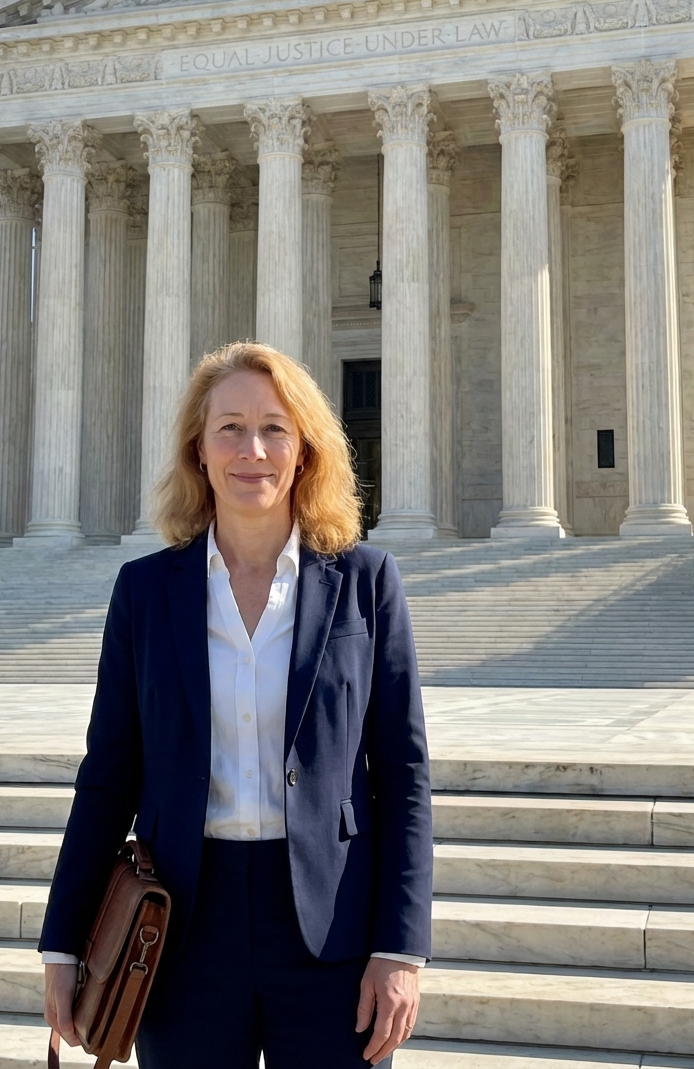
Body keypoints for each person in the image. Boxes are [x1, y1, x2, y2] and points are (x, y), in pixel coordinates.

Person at [40, 341, 433, 1069]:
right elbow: (108, 776)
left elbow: (402, 775)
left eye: (274, 428)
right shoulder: (146, 591)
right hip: (180, 929)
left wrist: (400, 947)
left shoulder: (365, 582)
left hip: (332, 929)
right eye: (229, 427)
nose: (251, 449)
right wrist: (64, 940)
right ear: (198, 448)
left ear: (305, 449)